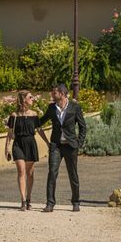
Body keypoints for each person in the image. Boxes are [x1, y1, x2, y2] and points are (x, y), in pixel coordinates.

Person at [39, 83, 86, 213]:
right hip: (56, 146)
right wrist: (26, 118)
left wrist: (79, 143)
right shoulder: (51, 108)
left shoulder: (74, 107)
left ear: (62, 93)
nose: (52, 95)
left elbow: (83, 127)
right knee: (52, 173)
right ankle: (50, 203)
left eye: (54, 93)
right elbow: (40, 122)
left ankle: (76, 202)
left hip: (71, 146)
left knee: (73, 174)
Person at [4, 90, 48, 211]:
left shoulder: (34, 115)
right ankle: (23, 200)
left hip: (30, 143)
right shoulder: (14, 116)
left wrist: (47, 142)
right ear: (24, 99)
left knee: (29, 173)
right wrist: (6, 148)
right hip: (18, 144)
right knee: (21, 170)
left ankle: (29, 198)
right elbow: (9, 133)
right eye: (30, 97)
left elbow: (39, 130)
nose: (32, 99)